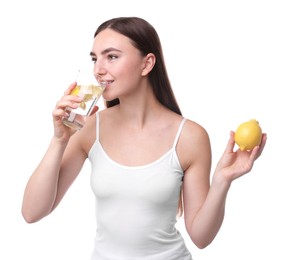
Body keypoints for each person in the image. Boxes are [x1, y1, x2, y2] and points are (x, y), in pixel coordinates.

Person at [21, 17, 267, 260]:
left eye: (112, 56)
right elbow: (32, 213)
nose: (98, 69)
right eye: (95, 58)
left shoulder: (189, 137)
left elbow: (201, 237)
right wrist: (59, 139)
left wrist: (223, 180)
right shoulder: (89, 127)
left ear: (147, 64)